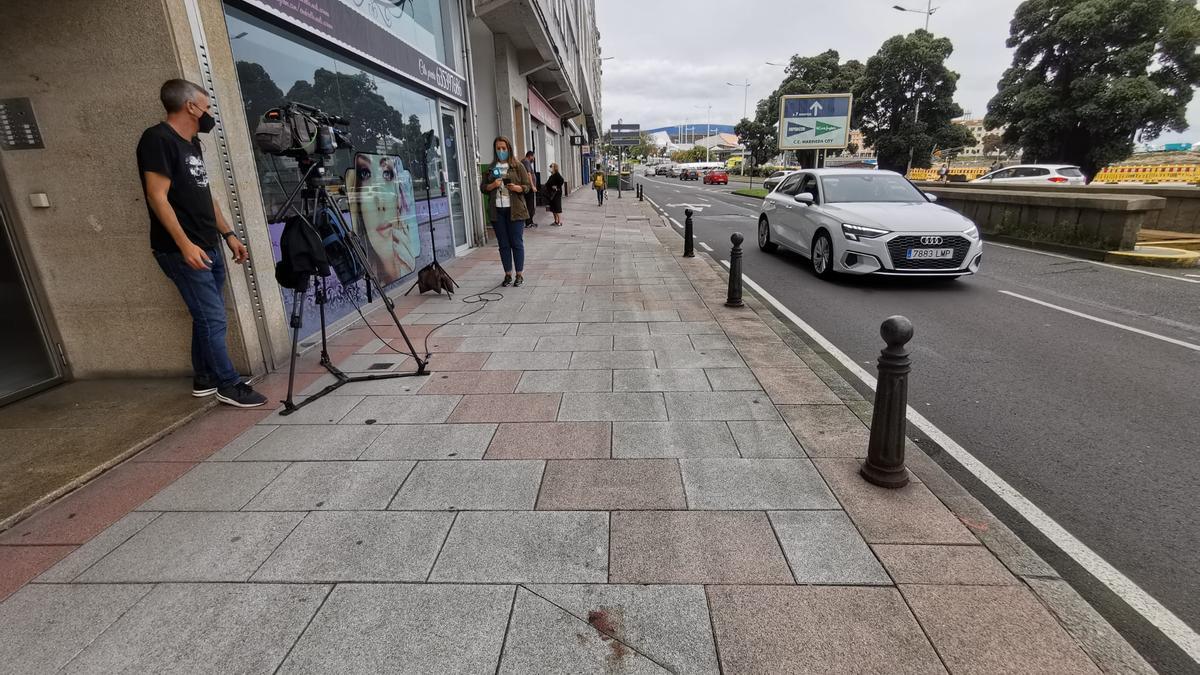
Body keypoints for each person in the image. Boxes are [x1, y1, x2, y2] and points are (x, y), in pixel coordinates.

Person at [137, 79, 266, 407]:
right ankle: (228, 384)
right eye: (207, 107)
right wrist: (184, 245)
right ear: (190, 106)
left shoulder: (191, 143)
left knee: (206, 316)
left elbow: (205, 195)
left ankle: (205, 376)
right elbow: (157, 196)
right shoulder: (157, 140)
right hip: (183, 250)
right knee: (213, 318)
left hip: (209, 244)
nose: (209, 114)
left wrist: (229, 234)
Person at [480, 136, 532, 287]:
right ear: (495, 150)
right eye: (498, 148)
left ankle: (519, 275)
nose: (501, 151)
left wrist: (518, 188)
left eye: (504, 148)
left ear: (509, 149)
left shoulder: (518, 166)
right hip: (497, 211)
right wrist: (492, 186)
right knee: (503, 244)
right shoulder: (491, 168)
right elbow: (483, 187)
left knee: (516, 242)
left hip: (515, 210)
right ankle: (508, 274)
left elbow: (527, 186)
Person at [521, 150, 538, 228]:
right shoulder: (526, 161)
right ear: (530, 156)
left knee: (530, 205)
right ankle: (528, 222)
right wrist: (533, 186)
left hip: (529, 187)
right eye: (533, 157)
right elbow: (528, 174)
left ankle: (530, 221)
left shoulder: (524, 161)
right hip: (529, 188)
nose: (533, 159)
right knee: (530, 205)